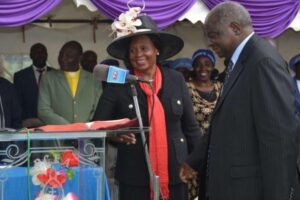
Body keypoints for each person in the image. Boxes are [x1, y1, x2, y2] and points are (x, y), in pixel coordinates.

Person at [180, 2, 300, 200]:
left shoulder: (262, 62)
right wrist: (194, 161)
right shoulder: (240, 62)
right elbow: (223, 123)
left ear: (235, 28)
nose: (210, 43)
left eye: (213, 35)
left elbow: (279, 138)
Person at [93, 9, 202, 200]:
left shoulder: (176, 79)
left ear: (157, 50)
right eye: (133, 50)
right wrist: (116, 135)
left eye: (144, 48)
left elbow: (191, 127)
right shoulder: (118, 83)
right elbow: (98, 124)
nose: (138, 55)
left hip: (176, 171)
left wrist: (195, 162)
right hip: (134, 175)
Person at [186, 49, 222, 200]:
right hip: (193, 149)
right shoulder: (186, 88)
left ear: (213, 67)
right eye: (198, 65)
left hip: (217, 149)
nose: (203, 69)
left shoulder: (222, 87)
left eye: (207, 64)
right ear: (193, 68)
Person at [38, 41, 102, 125]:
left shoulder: (93, 80)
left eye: (69, 56)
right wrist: (68, 127)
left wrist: (86, 126)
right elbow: (43, 110)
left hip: (87, 134)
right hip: (58, 134)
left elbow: (99, 108)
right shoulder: (48, 78)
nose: (62, 59)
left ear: (80, 58)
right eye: (61, 55)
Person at [14, 43, 54, 128]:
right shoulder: (20, 76)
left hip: (52, 122)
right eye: (37, 52)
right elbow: (17, 102)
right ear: (31, 56)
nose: (40, 55)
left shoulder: (56, 74)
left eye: (43, 52)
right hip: (28, 123)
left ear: (47, 55)